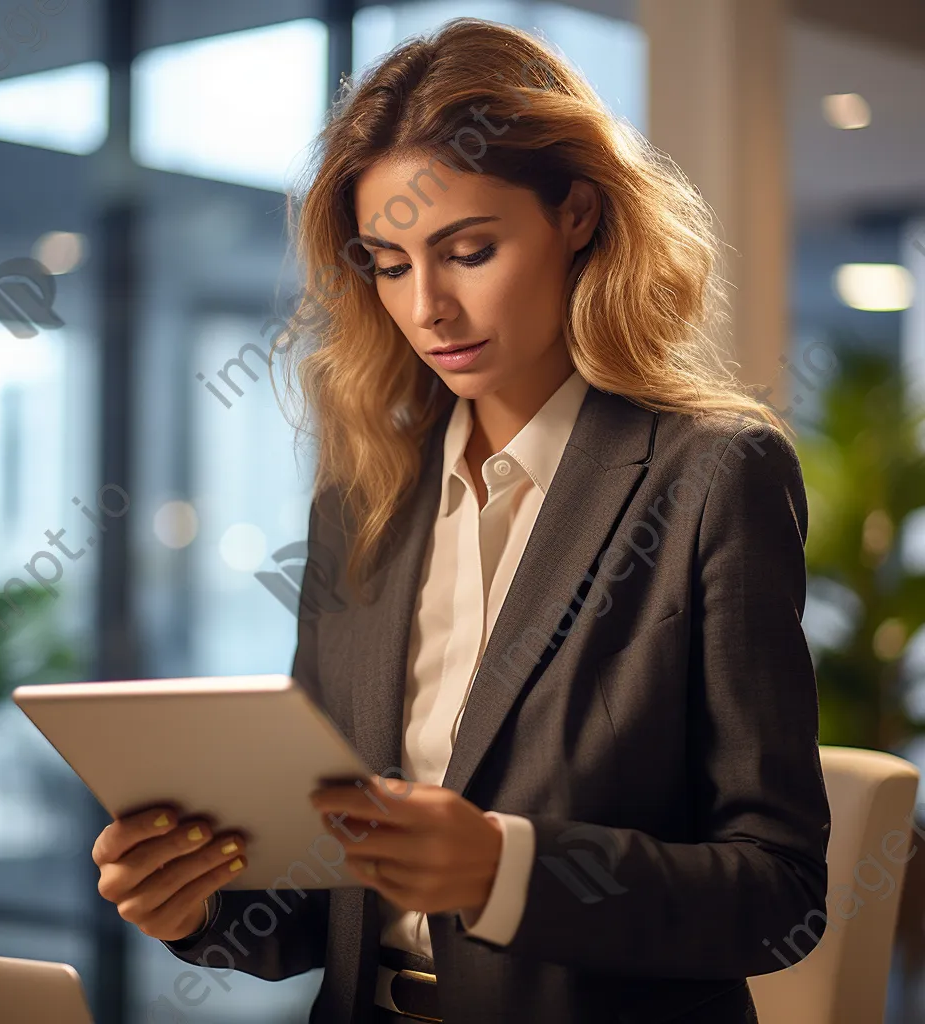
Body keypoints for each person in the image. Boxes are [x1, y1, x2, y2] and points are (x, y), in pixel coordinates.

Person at [91, 16, 831, 1024]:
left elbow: (778, 896)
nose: (428, 304)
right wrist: (194, 899)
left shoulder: (710, 476)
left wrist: (503, 867)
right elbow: (318, 905)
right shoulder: (363, 498)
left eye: (468, 249)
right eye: (390, 264)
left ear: (576, 215)